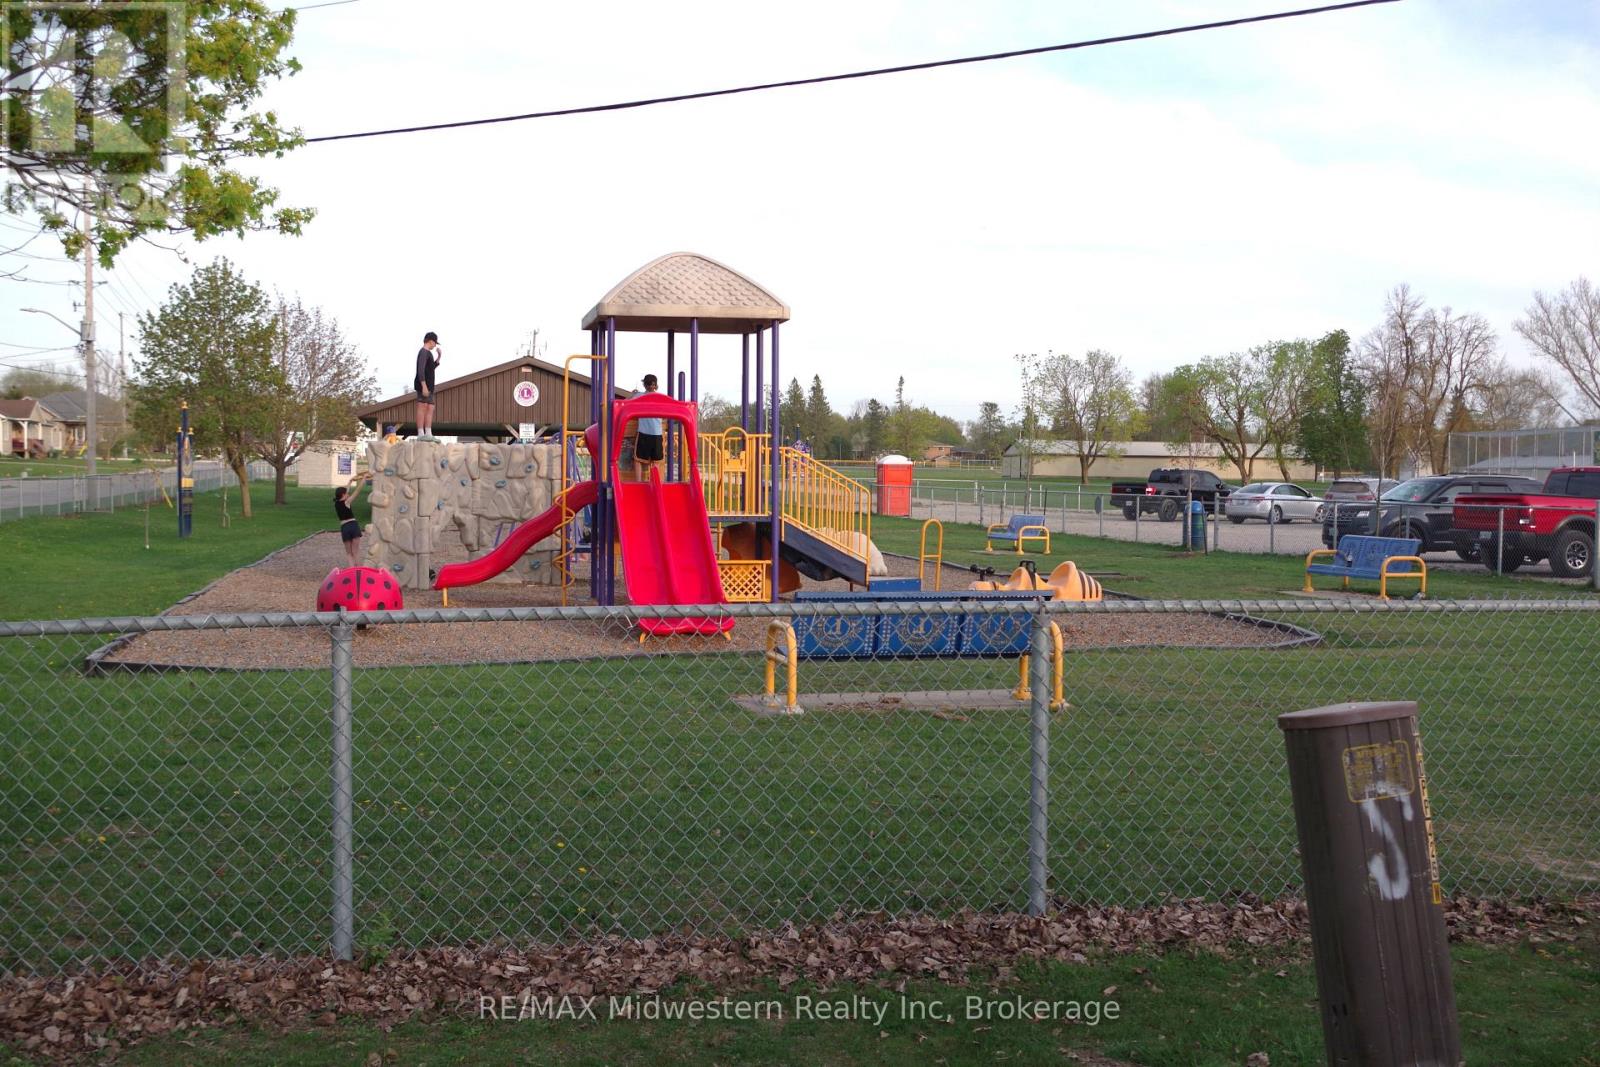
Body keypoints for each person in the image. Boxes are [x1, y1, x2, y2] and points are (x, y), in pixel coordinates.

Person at [633, 373, 665, 481]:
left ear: (644, 385)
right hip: (657, 434)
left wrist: (634, 393)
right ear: (655, 385)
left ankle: (638, 482)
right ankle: (655, 482)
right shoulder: (660, 398)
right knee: (656, 461)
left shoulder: (639, 396)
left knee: (638, 459)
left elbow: (627, 402)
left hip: (644, 432)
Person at [334, 473, 370, 566]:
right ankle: (358, 571)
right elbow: (357, 491)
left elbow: (346, 490)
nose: (348, 494)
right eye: (347, 493)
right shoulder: (347, 502)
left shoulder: (337, 503)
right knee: (356, 552)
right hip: (353, 526)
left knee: (349, 553)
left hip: (345, 528)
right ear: (343, 494)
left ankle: (352, 571)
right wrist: (363, 479)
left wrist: (350, 481)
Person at [414, 331, 441, 439]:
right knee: (422, 407)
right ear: (430, 341)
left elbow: (431, 368)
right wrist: (423, 386)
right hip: (423, 385)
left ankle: (428, 433)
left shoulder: (429, 353)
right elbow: (420, 370)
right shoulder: (423, 352)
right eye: (435, 343)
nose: (435, 345)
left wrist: (439, 356)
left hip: (430, 386)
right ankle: (421, 433)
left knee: (430, 407)